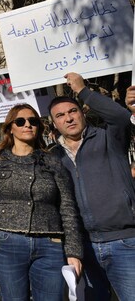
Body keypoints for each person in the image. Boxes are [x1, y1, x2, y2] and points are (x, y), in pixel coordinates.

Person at [0, 103, 83, 300]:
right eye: (21, 121)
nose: (28, 125)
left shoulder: (52, 162)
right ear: (10, 128)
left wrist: (73, 251)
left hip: (50, 245)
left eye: (33, 121)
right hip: (8, 244)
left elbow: (67, 207)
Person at [50, 72, 135, 299]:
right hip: (82, 248)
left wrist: (82, 90)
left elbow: (120, 116)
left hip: (124, 243)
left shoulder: (109, 138)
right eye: (60, 115)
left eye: (72, 111)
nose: (68, 118)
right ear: (54, 123)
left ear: (83, 113)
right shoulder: (52, 157)